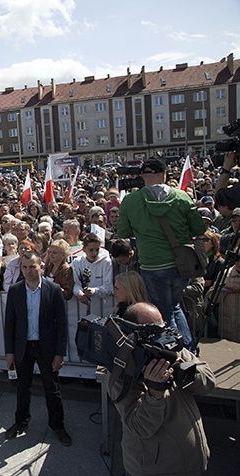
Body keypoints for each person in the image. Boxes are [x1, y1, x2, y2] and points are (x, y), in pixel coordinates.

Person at [108, 302, 215, 476]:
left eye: (163, 325)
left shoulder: (172, 348)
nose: (163, 334)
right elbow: (140, 427)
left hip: (194, 465)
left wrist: (186, 371)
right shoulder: (122, 369)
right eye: (155, 330)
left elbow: (209, 382)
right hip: (156, 470)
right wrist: (155, 394)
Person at [117, 157, 207, 351]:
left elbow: (123, 232)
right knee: (173, 306)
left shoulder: (131, 200)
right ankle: (188, 347)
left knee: (165, 311)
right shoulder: (182, 197)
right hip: (181, 264)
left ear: (143, 176)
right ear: (164, 174)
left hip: (153, 265)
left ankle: (178, 351)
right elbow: (199, 227)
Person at [3, 251, 72, 446]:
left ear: (41, 266)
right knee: (22, 388)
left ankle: (58, 425)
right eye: (24, 267)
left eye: (32, 266)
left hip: (46, 347)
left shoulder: (54, 289)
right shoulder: (16, 290)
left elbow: (61, 324)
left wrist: (59, 353)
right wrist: (9, 352)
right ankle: (21, 422)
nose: (28, 271)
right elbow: (10, 324)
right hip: (23, 347)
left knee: (52, 388)